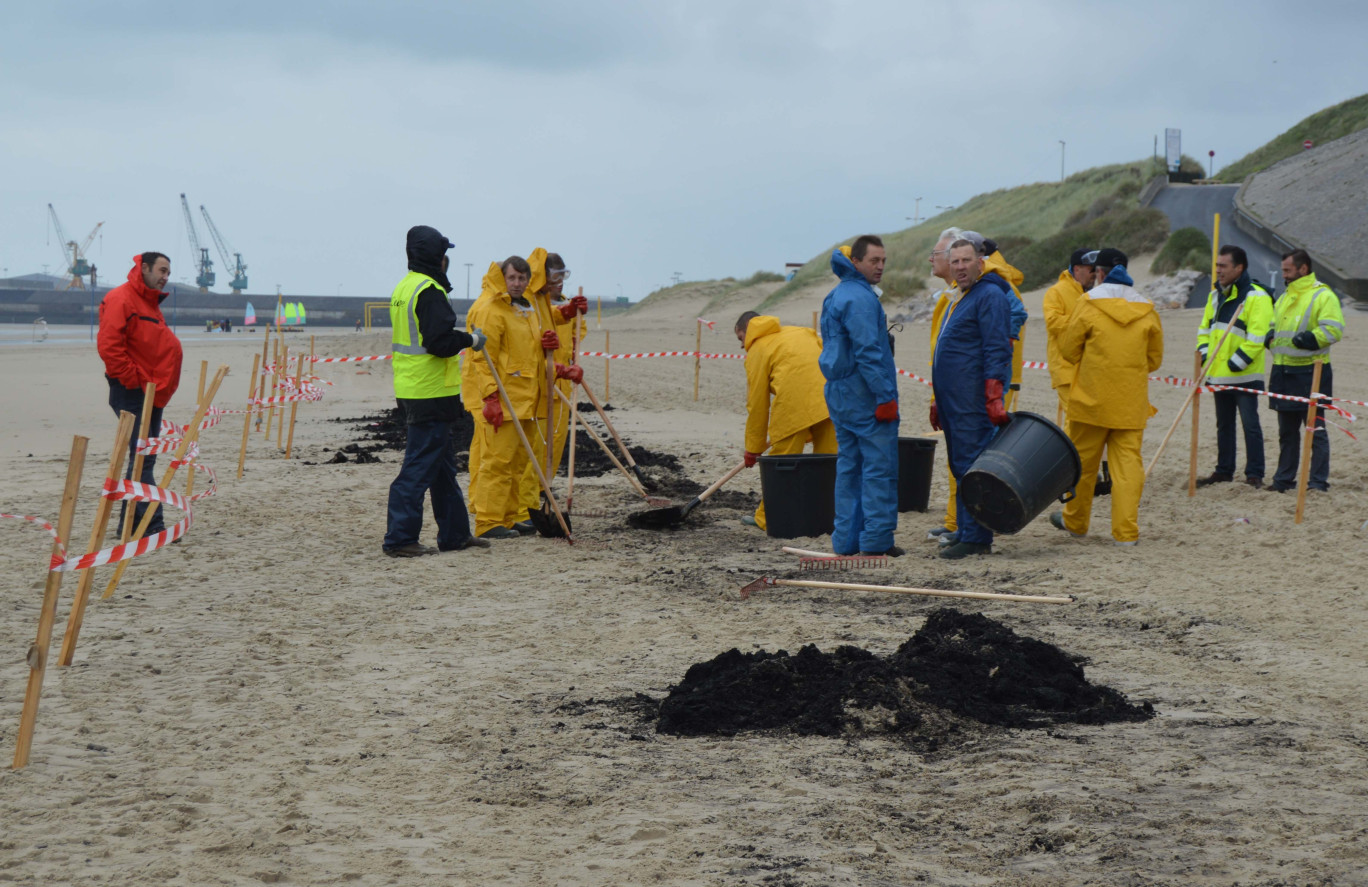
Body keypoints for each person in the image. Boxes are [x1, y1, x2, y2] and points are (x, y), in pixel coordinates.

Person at [382, 226, 490, 558]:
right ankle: (400, 538)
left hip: (414, 388)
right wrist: (471, 340)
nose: (447, 261)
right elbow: (439, 343)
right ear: (436, 257)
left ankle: (455, 534)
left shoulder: (405, 287)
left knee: (442, 466)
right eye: (444, 254)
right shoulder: (428, 290)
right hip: (430, 392)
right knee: (418, 467)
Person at [1050, 248, 1163, 545]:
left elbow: (1069, 350)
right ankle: (1126, 534)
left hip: (1090, 401)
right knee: (1127, 468)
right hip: (1130, 402)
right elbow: (1155, 360)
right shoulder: (1147, 309)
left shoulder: (1088, 303)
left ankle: (1075, 522)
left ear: (1099, 272)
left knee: (1083, 465)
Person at [462, 256, 567, 538]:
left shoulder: (525, 308)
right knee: (497, 463)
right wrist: (490, 398)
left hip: (526, 400)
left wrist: (549, 349)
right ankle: (488, 521)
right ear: (503, 277)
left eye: (522, 279)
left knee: (518, 463)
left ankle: (509, 518)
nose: (518, 284)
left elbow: (529, 356)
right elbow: (482, 359)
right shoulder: (490, 309)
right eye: (512, 278)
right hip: (504, 400)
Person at [819, 235, 901, 557]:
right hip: (864, 394)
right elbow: (868, 352)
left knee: (849, 467)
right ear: (856, 262)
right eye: (873, 261)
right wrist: (884, 396)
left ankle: (846, 542)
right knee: (878, 469)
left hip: (839, 392)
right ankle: (876, 542)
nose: (880, 267)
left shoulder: (836, 295)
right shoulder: (861, 299)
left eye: (883, 261)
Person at [931, 239, 1013, 559]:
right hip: (954, 401)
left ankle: (977, 538)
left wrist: (993, 394)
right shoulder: (964, 297)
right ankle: (966, 530)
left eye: (966, 260)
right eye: (955, 262)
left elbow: (997, 347)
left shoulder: (990, 295)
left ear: (981, 262)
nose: (961, 267)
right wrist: (939, 400)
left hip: (971, 401)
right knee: (960, 466)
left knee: (972, 467)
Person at [97, 252, 183, 538]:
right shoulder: (122, 298)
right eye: (161, 270)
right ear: (143, 267)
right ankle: (150, 527)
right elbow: (110, 347)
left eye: (168, 272)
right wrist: (134, 380)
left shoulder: (148, 301)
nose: (165, 277)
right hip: (134, 391)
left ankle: (131, 525)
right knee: (143, 458)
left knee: (142, 457)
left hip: (151, 392)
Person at [736, 311, 836, 530]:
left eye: (740, 339)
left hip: (794, 405)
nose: (742, 346)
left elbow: (757, 404)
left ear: (747, 331)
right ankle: (828, 515)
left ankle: (766, 518)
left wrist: (753, 448)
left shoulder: (757, 350)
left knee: (783, 463)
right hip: (831, 398)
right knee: (831, 461)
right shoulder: (800, 331)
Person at [1266, 249, 1345, 492]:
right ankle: (1283, 481)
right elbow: (1274, 323)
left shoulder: (1322, 295)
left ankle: (1318, 483)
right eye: (1283, 270)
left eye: (1288, 270)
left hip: (1312, 375)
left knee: (1316, 432)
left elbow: (1334, 329)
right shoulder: (1285, 297)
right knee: (1286, 433)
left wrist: (1309, 339)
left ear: (1303, 268)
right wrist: (1269, 337)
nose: (1284, 275)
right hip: (1282, 373)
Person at [517, 249, 587, 524]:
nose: (560, 281)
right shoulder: (529, 303)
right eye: (555, 275)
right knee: (533, 451)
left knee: (554, 451)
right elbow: (529, 346)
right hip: (538, 385)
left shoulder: (548, 303)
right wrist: (556, 369)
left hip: (561, 383)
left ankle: (538, 496)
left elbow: (572, 334)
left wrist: (571, 313)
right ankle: (526, 505)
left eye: (563, 275)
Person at [1195, 245, 1272, 488]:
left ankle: (1254, 474)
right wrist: (1207, 357)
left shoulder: (1256, 296)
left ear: (1239, 268)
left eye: (1223, 266)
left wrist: (1235, 363)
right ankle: (1224, 470)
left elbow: (1258, 336)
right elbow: (1204, 331)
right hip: (1218, 375)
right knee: (1224, 425)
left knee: (1251, 426)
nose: (1218, 270)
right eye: (1217, 265)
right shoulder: (1214, 296)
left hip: (1244, 375)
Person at [925, 226, 964, 543]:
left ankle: (964, 524)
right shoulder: (951, 296)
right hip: (950, 391)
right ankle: (954, 522)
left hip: (966, 393)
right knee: (955, 459)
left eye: (936, 254)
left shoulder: (973, 294)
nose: (931, 259)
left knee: (966, 459)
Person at [1042, 247, 1097, 419]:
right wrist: (1083, 324)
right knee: (1077, 419)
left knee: (1088, 419)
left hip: (1090, 370)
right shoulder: (1056, 292)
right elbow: (1053, 322)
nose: (1094, 274)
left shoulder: (1094, 294)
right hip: (1065, 369)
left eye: (1096, 270)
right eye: (1090, 270)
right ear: (1076, 269)